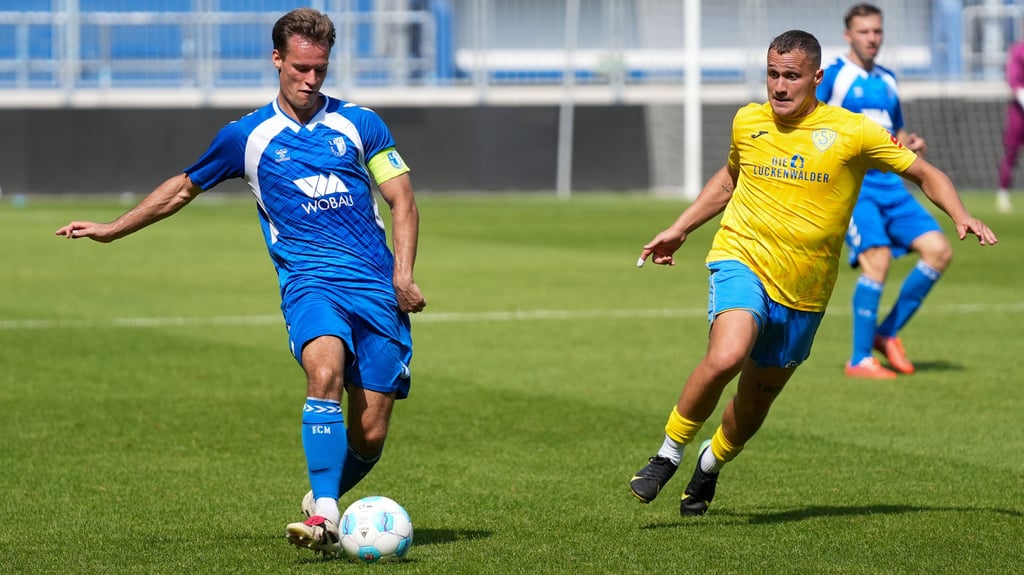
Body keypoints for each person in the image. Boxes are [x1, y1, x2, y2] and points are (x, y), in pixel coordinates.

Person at [55, 8, 426, 557]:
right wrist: (112, 229)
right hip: (310, 284)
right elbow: (181, 189)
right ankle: (326, 515)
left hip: (374, 288)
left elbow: (402, 200)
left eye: (320, 70)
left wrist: (403, 276)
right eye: (300, 67)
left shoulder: (361, 124)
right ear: (277, 59)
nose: (310, 79)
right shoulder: (246, 137)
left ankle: (323, 494)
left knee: (370, 433)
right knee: (322, 369)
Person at [628, 29, 996, 517]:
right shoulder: (747, 121)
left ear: (816, 77)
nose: (779, 87)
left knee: (754, 404)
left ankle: (709, 465)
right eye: (773, 75)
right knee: (727, 354)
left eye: (792, 77)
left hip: (805, 290)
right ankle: (666, 454)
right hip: (743, 258)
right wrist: (681, 228)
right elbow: (729, 179)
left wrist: (960, 214)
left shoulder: (853, 131)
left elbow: (925, 173)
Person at [818, 3, 952, 379]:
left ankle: (886, 332)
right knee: (877, 258)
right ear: (848, 35)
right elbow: (810, 121)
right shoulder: (833, 76)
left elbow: (895, 132)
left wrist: (911, 143)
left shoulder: (888, 79)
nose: (872, 38)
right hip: (855, 188)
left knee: (939, 251)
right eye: (864, 32)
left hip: (892, 185)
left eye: (877, 31)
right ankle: (859, 359)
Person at [997, 34, 1024, 213]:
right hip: (1018, 112)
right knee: (1011, 153)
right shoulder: (1017, 51)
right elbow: (1013, 80)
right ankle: (1003, 193)